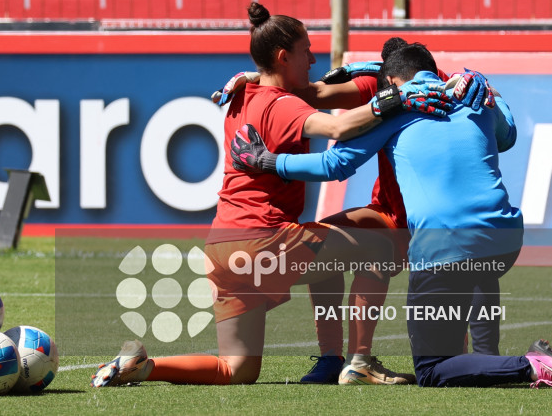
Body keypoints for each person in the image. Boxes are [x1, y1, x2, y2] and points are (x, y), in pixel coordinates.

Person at [90, 4, 449, 388]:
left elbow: (311, 90)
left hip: (222, 248)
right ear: (283, 56)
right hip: (262, 239)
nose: (313, 58)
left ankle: (144, 366)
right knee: (374, 247)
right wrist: (393, 100)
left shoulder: (241, 97)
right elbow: (338, 128)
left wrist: (250, 75)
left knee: (237, 369)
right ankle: (359, 363)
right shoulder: (283, 104)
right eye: (306, 50)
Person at [230, 43, 552, 389]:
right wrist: (489, 91)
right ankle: (486, 359)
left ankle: (529, 364)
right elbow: (507, 135)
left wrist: (268, 162)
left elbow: (333, 163)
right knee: (477, 270)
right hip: (506, 239)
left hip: (443, 245)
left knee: (433, 369)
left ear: (391, 82)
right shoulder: (470, 93)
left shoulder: (397, 107)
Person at [212, 38, 499, 385]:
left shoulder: (451, 87)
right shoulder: (383, 82)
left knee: (472, 276)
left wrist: (268, 162)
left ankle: (485, 359)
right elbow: (313, 94)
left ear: (395, 76)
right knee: (326, 240)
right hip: (392, 212)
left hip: (436, 219)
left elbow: (336, 158)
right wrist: (257, 76)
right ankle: (337, 360)